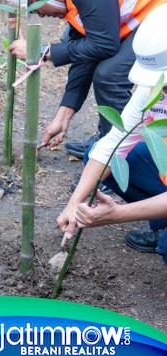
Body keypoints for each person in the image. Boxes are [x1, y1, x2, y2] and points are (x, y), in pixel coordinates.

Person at [58, 4, 167, 264]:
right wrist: (74, 202)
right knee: (103, 155)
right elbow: (114, 143)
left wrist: (117, 214)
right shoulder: (156, 86)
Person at [9, 0, 167, 159]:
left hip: (158, 14)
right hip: (143, 17)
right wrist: (65, 112)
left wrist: (42, 51)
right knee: (106, 70)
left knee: (110, 75)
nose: (41, 14)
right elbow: (86, 52)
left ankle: (121, 157)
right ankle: (107, 142)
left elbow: (104, 45)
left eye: (35, 7)